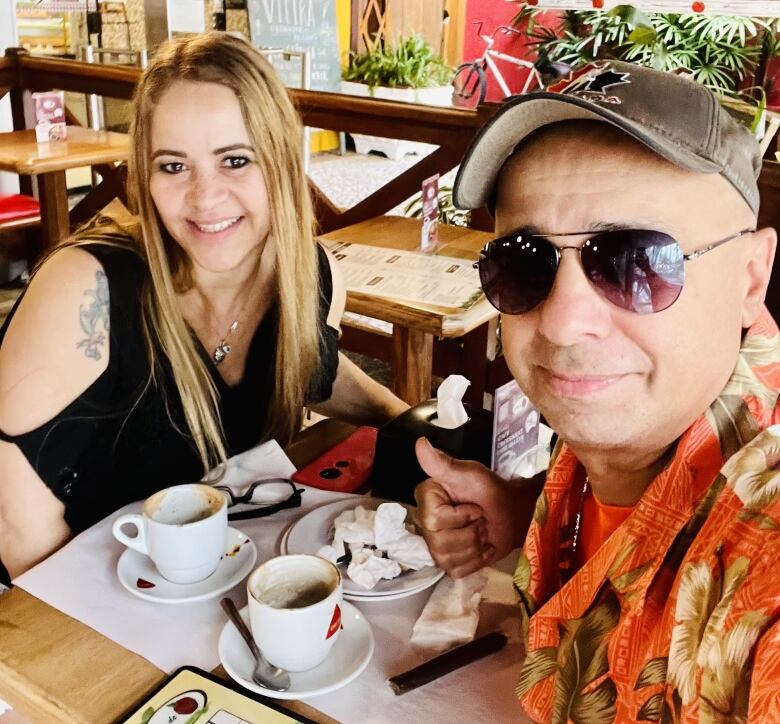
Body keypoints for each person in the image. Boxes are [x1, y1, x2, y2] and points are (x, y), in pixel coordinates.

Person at [415, 60, 780, 720]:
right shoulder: (641, 411)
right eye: (525, 262)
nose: (561, 319)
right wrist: (526, 508)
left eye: (637, 261)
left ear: (750, 278)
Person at [0, 32, 407, 582]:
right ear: (144, 174)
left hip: (210, 574)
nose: (205, 197)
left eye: (235, 160)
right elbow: (15, 527)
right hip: (70, 599)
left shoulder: (311, 275)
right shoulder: (86, 291)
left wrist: (406, 423)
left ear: (283, 162)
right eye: (173, 166)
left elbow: (313, 365)